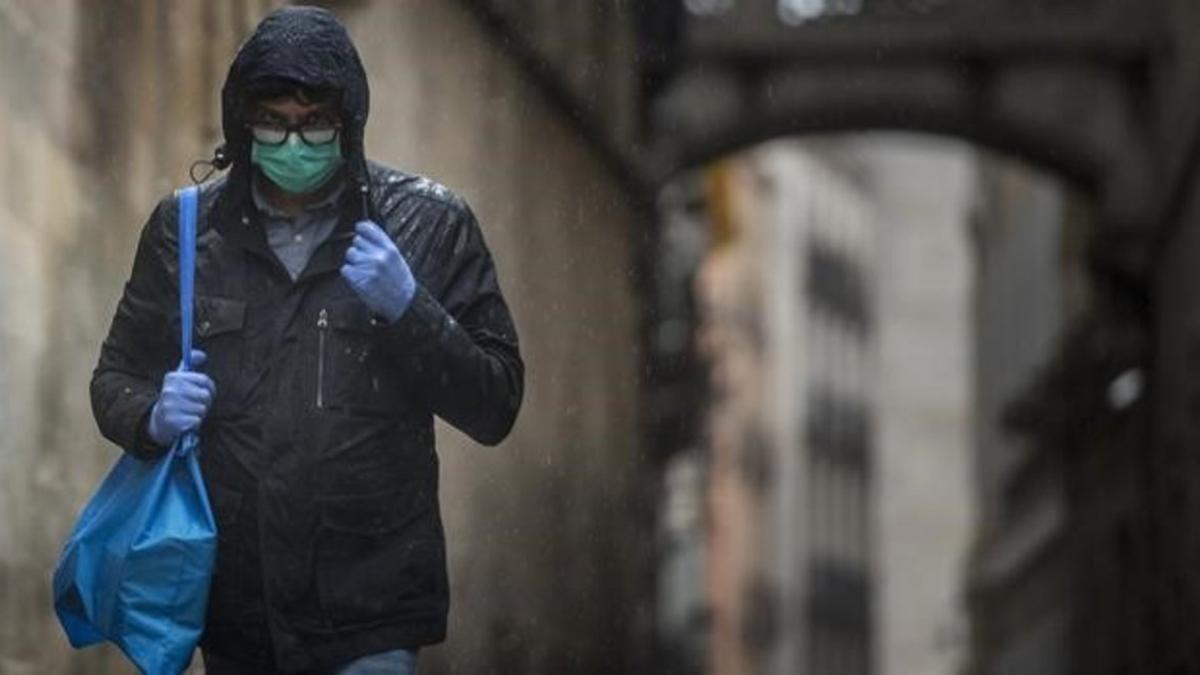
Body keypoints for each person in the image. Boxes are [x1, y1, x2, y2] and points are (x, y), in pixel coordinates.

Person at [89, 6, 524, 674]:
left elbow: (496, 403)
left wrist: (409, 307)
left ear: (347, 126)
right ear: (242, 122)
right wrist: (151, 414)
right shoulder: (184, 231)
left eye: (315, 122)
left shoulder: (428, 223)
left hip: (370, 606)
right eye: (274, 121)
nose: (295, 143)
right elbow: (114, 377)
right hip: (236, 607)